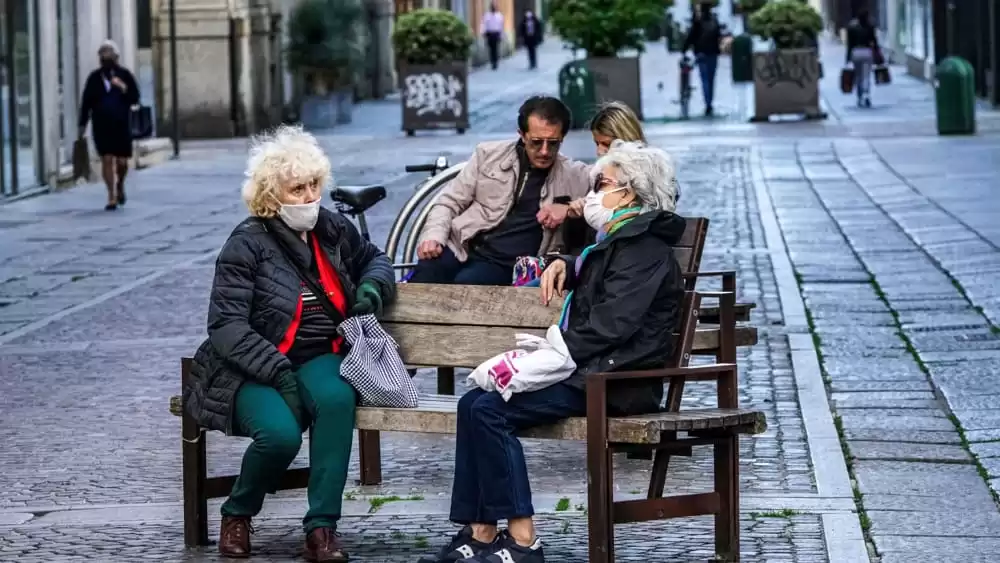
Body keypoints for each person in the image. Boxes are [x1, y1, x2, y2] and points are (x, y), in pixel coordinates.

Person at [423, 140, 685, 563]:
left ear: (631, 192)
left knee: (490, 409)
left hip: (614, 382)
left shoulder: (643, 249)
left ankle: (524, 539)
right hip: (590, 372)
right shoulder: (618, 240)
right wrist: (562, 259)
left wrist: (547, 359)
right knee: (473, 403)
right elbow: (596, 275)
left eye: (604, 183)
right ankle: (481, 531)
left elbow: (611, 325)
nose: (595, 192)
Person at [182, 125, 396, 562]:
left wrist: (372, 289)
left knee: (336, 401)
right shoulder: (246, 244)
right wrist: (277, 372)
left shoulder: (332, 229)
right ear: (271, 194)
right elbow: (225, 326)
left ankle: (322, 530)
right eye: (297, 188)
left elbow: (375, 258)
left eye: (315, 184)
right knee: (280, 437)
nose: (309, 196)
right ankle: (238, 511)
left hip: (319, 354)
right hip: (249, 367)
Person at [408, 96, 590, 285]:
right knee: (426, 273)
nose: (544, 151)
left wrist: (568, 208)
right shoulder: (488, 155)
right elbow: (448, 202)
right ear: (522, 134)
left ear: (562, 139)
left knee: (467, 285)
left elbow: (613, 196)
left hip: (505, 264)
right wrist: (433, 236)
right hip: (462, 245)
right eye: (536, 142)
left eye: (553, 143)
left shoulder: (576, 174)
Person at [78, 39, 140, 211]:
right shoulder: (94, 78)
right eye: (102, 53)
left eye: (108, 52)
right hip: (101, 125)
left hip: (121, 124)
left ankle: (120, 184)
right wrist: (82, 124)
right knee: (106, 158)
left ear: (116, 56)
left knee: (121, 162)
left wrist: (123, 88)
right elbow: (86, 102)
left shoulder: (125, 75)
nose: (105, 55)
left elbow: (135, 98)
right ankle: (111, 195)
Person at [682, 3, 724, 116]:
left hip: (701, 53)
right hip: (713, 53)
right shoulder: (714, 20)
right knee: (711, 79)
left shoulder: (698, 22)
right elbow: (719, 35)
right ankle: (710, 102)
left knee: (704, 79)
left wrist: (684, 49)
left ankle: (707, 103)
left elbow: (691, 37)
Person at [846, 8, 880, 108]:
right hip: (867, 52)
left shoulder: (852, 26)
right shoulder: (870, 26)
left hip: (856, 52)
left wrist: (847, 58)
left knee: (858, 76)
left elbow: (849, 44)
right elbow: (874, 41)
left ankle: (859, 96)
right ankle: (866, 94)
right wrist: (877, 53)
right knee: (866, 75)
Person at [481, 3, 505, 70]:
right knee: (491, 49)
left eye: (494, 7)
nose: (493, 8)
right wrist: (483, 32)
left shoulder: (499, 15)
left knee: (496, 48)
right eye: (492, 7)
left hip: (496, 33)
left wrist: (502, 35)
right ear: (490, 8)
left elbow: (501, 26)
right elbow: (484, 24)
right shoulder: (487, 15)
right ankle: (492, 62)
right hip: (490, 33)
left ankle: (495, 62)